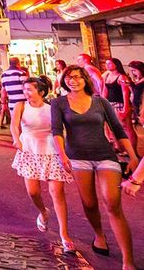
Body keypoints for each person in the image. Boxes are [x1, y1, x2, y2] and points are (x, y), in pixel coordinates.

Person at [52, 65, 138, 269]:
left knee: (112, 202)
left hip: (105, 156)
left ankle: (128, 260)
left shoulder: (101, 101)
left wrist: (133, 156)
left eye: (78, 77)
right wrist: (62, 154)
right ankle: (99, 235)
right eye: (69, 77)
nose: (74, 81)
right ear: (64, 81)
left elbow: (117, 129)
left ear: (85, 80)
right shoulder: (59, 103)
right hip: (78, 158)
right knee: (89, 204)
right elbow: (56, 130)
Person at [11, 76, 75, 254]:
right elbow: (14, 126)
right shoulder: (21, 106)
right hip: (29, 150)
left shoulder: (52, 107)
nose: (26, 93)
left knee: (57, 192)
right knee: (33, 191)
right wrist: (16, 139)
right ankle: (43, 212)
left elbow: (61, 128)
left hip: (52, 150)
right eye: (24, 90)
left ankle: (64, 235)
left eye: (29, 90)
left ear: (41, 91)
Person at [102, 58, 137, 155]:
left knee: (127, 127)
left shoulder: (121, 77)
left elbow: (125, 92)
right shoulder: (107, 76)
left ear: (116, 65)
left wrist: (126, 107)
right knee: (113, 128)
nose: (107, 65)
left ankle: (133, 151)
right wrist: (102, 103)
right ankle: (121, 149)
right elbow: (104, 91)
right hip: (110, 104)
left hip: (120, 103)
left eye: (109, 64)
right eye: (106, 64)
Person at [1, 57, 27, 122]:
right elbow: (27, 87)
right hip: (23, 102)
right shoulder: (21, 73)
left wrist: (3, 103)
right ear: (18, 63)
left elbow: (3, 91)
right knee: (25, 123)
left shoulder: (4, 75)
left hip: (12, 102)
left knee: (15, 122)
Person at [128, 60, 144, 126]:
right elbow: (133, 92)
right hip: (136, 104)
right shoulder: (137, 79)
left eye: (134, 70)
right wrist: (130, 85)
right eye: (131, 71)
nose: (133, 73)